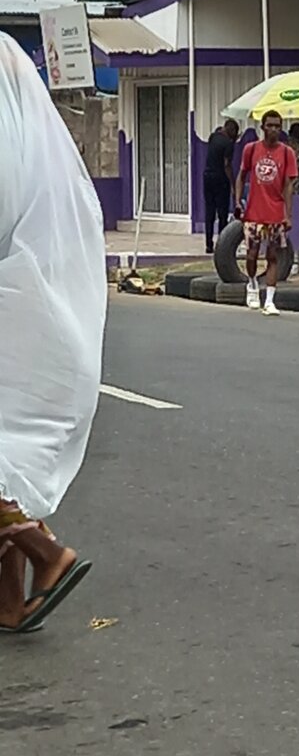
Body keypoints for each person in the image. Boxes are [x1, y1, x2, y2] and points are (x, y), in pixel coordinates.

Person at [0, 32, 106, 633]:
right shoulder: (46, 170)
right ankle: (10, 604)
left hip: (15, 305)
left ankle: (45, 551)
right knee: (6, 456)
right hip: (38, 309)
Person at [234, 110, 297, 316]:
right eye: (270, 125)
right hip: (253, 212)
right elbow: (241, 175)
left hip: (276, 213)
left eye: (277, 126)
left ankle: (269, 300)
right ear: (262, 127)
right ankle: (252, 284)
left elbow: (289, 185)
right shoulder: (251, 149)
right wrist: (237, 202)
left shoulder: (287, 153)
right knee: (252, 255)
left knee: (273, 257)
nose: (274, 130)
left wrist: (287, 214)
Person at [203, 119, 239, 254]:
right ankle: (222, 245)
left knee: (209, 211)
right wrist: (233, 184)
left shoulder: (213, 137)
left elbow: (218, 132)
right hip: (220, 179)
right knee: (222, 213)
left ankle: (208, 244)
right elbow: (227, 165)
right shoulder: (228, 144)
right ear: (232, 131)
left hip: (207, 177)